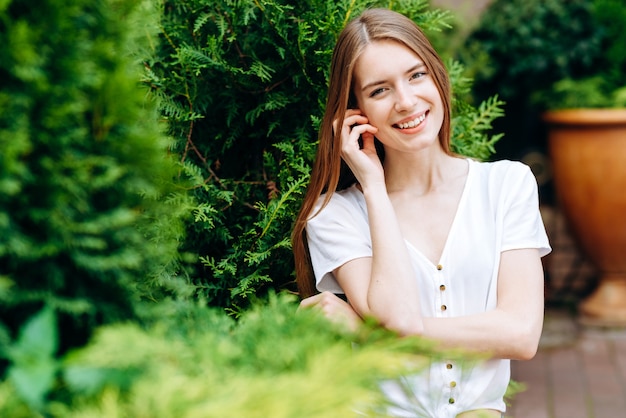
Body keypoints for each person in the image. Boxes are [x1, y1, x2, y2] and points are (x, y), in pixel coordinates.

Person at [291, 8, 551, 418]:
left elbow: (521, 335)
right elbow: (396, 315)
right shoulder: (335, 215)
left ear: (437, 76)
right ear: (355, 110)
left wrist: (371, 333)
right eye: (379, 91)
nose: (406, 101)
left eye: (416, 75)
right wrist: (374, 187)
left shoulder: (506, 186)